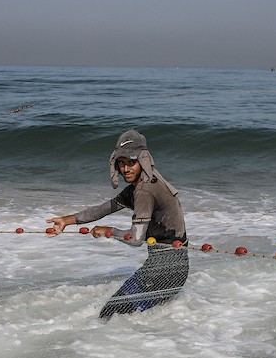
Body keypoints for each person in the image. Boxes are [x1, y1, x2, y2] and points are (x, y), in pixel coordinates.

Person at [47, 129, 189, 320]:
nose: (125, 169)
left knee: (109, 316)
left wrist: (108, 231)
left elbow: (136, 239)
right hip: (173, 270)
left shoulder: (145, 191)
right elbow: (102, 209)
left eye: (131, 162)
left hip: (164, 271)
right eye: (121, 163)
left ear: (143, 161)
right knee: (137, 323)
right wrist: (66, 221)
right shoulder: (140, 186)